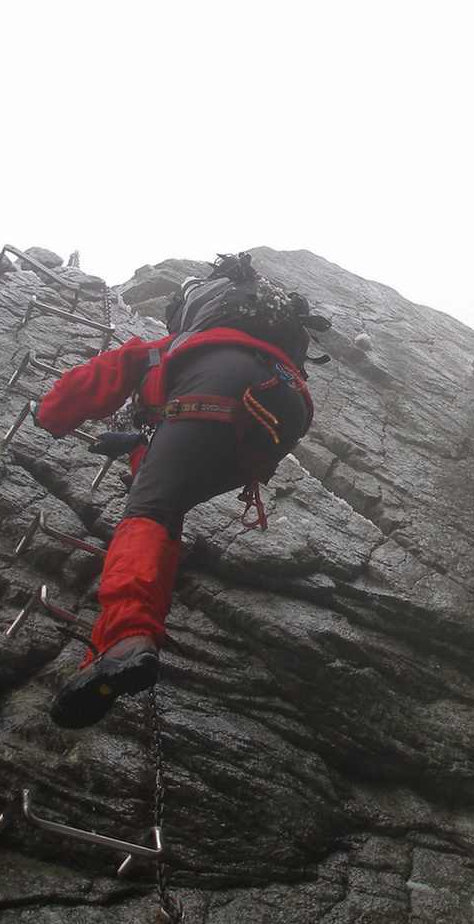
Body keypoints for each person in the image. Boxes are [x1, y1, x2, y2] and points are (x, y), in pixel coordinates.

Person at [33, 254, 329, 728]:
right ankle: (104, 661)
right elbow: (178, 457)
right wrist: (135, 444)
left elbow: (97, 379)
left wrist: (50, 416)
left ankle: (127, 634)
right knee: (164, 509)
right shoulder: (257, 350)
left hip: (225, 383)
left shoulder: (177, 346)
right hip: (285, 412)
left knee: (150, 509)